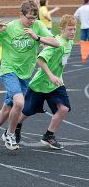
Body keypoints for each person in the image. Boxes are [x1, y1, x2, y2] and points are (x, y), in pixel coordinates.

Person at [0, 0, 59, 150]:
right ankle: (9, 134)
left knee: (7, 110)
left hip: (25, 74)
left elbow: (56, 43)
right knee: (20, 103)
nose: (31, 21)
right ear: (20, 15)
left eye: (34, 18)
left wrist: (38, 38)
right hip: (9, 70)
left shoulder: (37, 26)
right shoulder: (10, 27)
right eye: (29, 18)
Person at [15, 14, 77, 150]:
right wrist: (51, 76)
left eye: (74, 29)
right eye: (70, 29)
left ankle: (49, 135)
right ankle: (16, 126)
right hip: (40, 84)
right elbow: (40, 60)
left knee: (64, 108)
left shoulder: (70, 42)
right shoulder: (56, 44)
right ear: (62, 29)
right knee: (27, 111)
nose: (73, 32)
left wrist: (57, 76)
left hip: (56, 84)